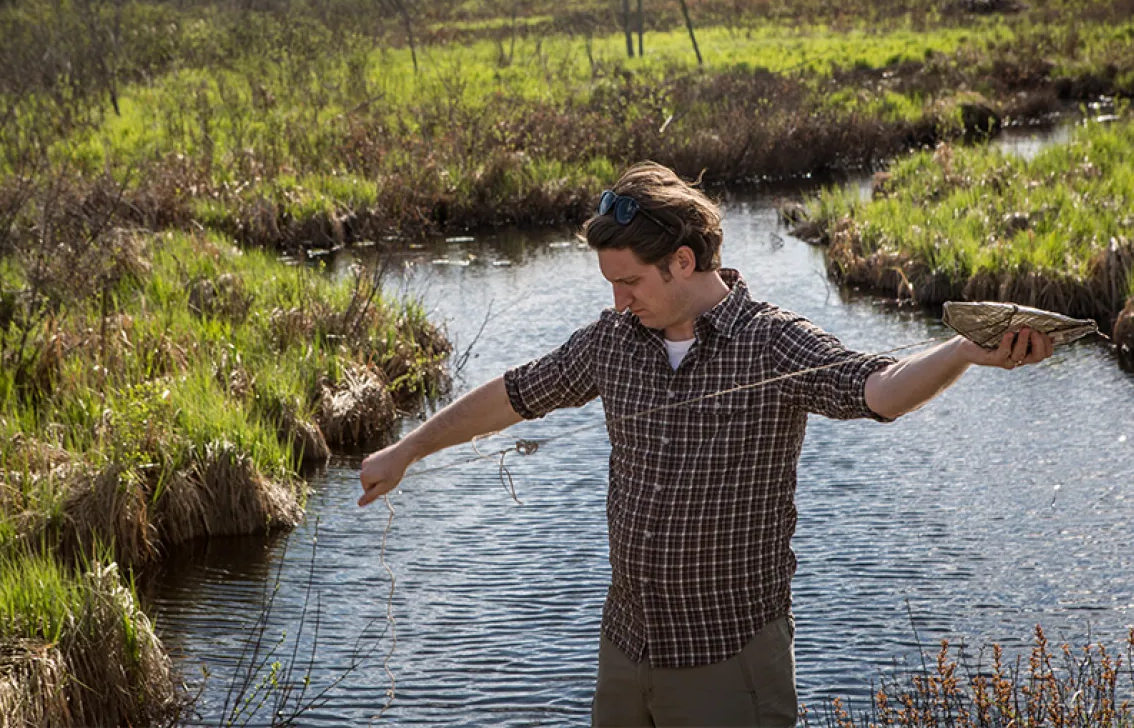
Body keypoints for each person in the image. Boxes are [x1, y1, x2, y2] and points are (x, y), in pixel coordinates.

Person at [357, 161, 1054, 727]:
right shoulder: (614, 341)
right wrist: (407, 451)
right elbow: (516, 391)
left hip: (729, 666)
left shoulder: (772, 342)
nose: (618, 302)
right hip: (626, 652)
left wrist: (963, 352)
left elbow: (879, 389)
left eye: (628, 283)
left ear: (683, 260)